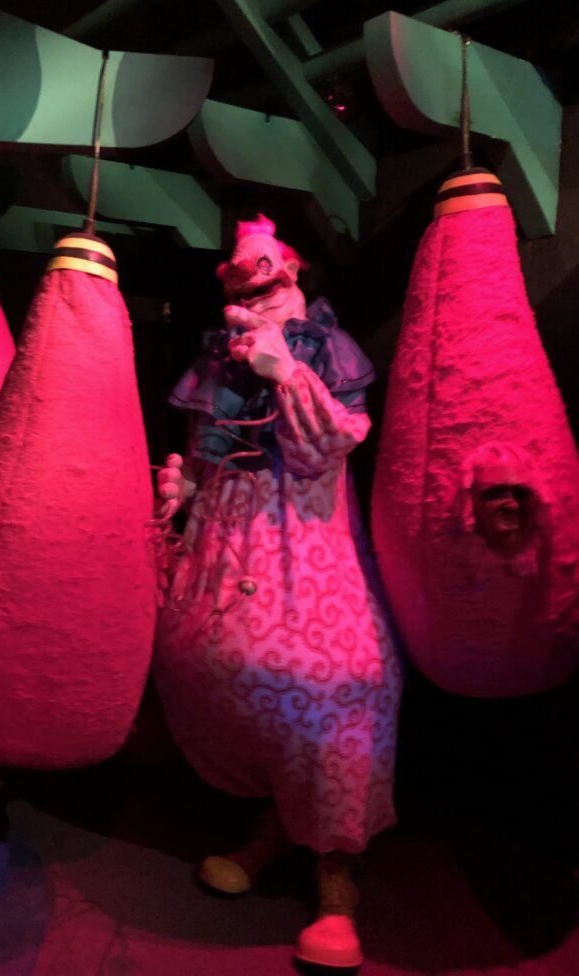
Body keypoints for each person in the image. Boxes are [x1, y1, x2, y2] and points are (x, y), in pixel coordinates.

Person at [154, 215, 402, 968]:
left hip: (307, 528)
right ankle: (273, 829)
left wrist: (287, 372)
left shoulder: (322, 347)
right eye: (238, 272)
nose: (249, 281)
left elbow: (327, 446)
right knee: (211, 662)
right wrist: (186, 488)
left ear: (292, 269)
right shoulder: (221, 354)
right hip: (230, 531)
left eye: (262, 267)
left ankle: (335, 880)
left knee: (334, 680)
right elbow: (210, 444)